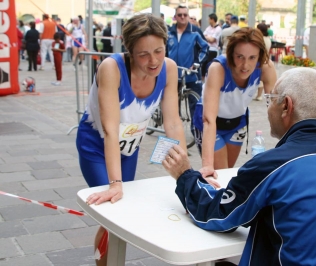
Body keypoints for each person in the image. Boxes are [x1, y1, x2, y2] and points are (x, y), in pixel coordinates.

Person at [163, 67, 316, 266]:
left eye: (270, 101)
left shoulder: (271, 165)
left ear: (286, 106)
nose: (268, 110)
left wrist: (185, 175)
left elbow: (218, 216)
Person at [78, 14, 187, 266]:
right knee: (114, 212)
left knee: (120, 215)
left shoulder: (168, 68)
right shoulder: (111, 68)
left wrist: (186, 174)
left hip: (130, 146)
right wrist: (115, 183)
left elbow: (172, 122)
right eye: (143, 54)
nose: (153, 61)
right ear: (129, 51)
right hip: (97, 144)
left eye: (159, 51)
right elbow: (110, 131)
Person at [193, 27, 277, 181]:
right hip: (211, 122)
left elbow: (275, 108)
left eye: (252, 58)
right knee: (219, 172)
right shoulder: (218, 68)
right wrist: (207, 165)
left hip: (237, 122)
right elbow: (208, 120)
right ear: (231, 53)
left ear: (260, 56)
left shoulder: (266, 67)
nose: (245, 65)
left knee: (227, 172)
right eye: (240, 57)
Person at [166, 5, 209, 133]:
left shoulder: (195, 31)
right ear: (175, 17)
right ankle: (174, 131)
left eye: (185, 15)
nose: (183, 17)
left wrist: (197, 63)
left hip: (191, 75)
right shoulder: (169, 32)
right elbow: (163, 51)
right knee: (172, 105)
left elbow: (205, 48)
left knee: (195, 106)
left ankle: (196, 131)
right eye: (180, 15)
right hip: (173, 75)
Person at [254, 23, 272, 101]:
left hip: (259, 59)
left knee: (259, 77)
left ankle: (258, 95)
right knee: (262, 78)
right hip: (266, 60)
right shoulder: (268, 39)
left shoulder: (260, 39)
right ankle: (259, 95)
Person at [202, 13, 222, 80]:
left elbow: (212, 40)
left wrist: (207, 37)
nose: (208, 20)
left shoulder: (218, 29)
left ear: (212, 19)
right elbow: (203, 36)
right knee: (204, 66)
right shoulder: (208, 28)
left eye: (209, 19)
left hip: (213, 50)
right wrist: (208, 37)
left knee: (210, 66)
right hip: (207, 49)